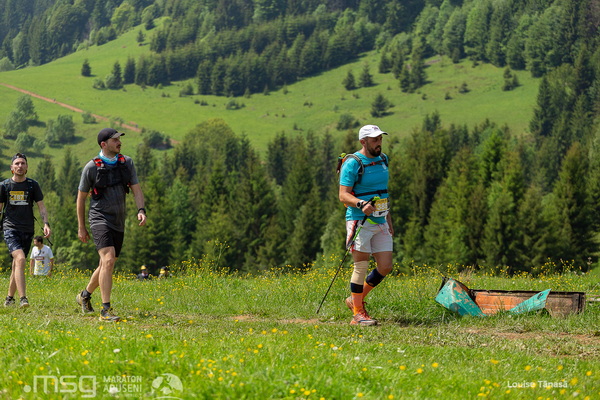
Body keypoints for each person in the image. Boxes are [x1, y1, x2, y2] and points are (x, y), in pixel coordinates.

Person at [75, 128, 147, 322]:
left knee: (107, 263)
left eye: (119, 139)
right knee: (107, 260)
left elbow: (136, 189)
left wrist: (141, 210)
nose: (119, 142)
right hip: (99, 218)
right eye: (115, 140)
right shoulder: (91, 167)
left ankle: (84, 295)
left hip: (118, 221)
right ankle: (105, 310)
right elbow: (81, 199)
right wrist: (81, 227)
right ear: (103, 144)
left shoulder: (126, 163)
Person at [338, 125, 393, 326]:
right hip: (359, 220)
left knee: (385, 266)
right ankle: (358, 313)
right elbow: (343, 195)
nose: (379, 143)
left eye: (380, 139)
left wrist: (389, 220)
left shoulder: (383, 159)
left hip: (380, 220)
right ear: (363, 142)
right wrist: (361, 204)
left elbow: (383, 191)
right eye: (374, 140)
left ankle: (354, 300)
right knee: (360, 266)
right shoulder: (353, 163)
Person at [1, 153, 52, 308]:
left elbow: (41, 207)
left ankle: (9, 298)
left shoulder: (32, 185)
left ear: (27, 166)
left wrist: (46, 224)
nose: (20, 166)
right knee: (21, 259)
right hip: (10, 228)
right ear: (12, 167)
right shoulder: (4, 186)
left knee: (17, 264)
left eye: (23, 163)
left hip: (27, 229)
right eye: (17, 163)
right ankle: (23, 298)